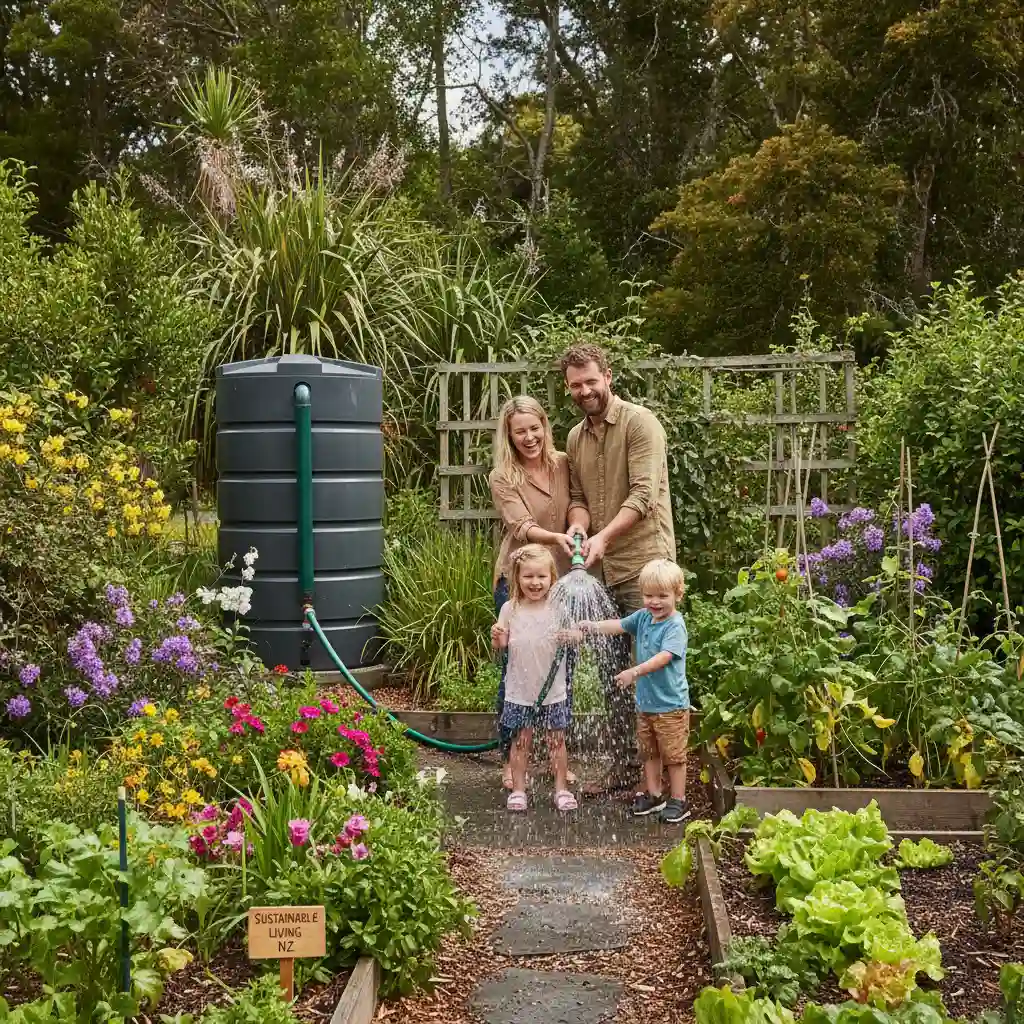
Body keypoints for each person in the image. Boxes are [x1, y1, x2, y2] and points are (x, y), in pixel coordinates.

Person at [560, 342, 676, 794]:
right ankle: (625, 769)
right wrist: (578, 527)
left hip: (646, 568)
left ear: (608, 376)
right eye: (576, 385)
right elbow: (579, 500)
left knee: (654, 671)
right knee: (614, 675)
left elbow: (644, 495)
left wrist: (604, 538)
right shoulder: (575, 438)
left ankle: (663, 774)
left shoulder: (640, 423)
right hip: (603, 570)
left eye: (591, 381)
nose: (585, 390)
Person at [489, 396, 575, 790]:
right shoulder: (503, 476)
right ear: (509, 436)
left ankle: (558, 761)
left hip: (560, 581)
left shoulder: (562, 463)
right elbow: (521, 526)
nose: (529, 437)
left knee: (561, 669)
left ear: (544, 426)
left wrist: (576, 526)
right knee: (515, 674)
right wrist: (555, 537)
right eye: (519, 431)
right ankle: (511, 760)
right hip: (520, 582)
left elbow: (578, 504)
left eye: (534, 428)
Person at [578, 558, 691, 824]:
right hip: (646, 705)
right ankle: (654, 794)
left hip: (671, 706)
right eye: (649, 596)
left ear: (678, 594)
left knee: (674, 756)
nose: (654, 602)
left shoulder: (675, 625)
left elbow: (664, 657)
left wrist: (634, 672)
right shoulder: (643, 617)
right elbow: (619, 625)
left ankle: (679, 800)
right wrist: (593, 626)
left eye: (662, 596)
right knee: (649, 753)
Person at [491, 544, 578, 813]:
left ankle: (561, 789)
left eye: (542, 576)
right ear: (517, 577)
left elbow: (577, 635)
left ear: (552, 577)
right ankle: (518, 790)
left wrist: (571, 636)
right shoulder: (510, 609)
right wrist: (498, 638)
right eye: (528, 576)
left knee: (557, 741)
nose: (535, 582)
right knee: (521, 741)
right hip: (519, 690)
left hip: (553, 689)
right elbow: (501, 645)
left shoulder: (559, 608)